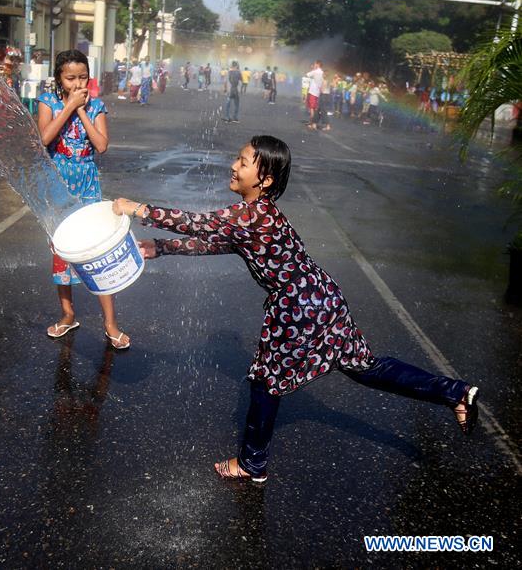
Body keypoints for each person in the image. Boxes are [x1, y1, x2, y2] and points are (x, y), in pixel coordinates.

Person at [112, 135, 480, 482]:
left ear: (265, 180)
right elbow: (221, 242)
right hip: (322, 298)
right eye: (237, 159)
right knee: (365, 366)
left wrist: (139, 209)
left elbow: (198, 224)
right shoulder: (257, 214)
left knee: (266, 380)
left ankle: (252, 463)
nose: (234, 166)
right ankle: (453, 392)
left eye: (243, 162)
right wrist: (162, 247)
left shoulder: (251, 215)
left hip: (298, 308)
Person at [37, 50, 130, 350]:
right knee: (61, 250)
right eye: (70, 78)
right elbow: (44, 139)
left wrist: (81, 112)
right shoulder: (47, 102)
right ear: (59, 79)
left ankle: (110, 323)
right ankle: (68, 315)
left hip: (87, 185)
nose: (78, 84)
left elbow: (101, 145)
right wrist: (68, 107)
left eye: (83, 77)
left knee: (96, 251)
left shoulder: (97, 106)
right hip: (58, 186)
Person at [305, 60, 323, 129]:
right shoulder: (322, 72)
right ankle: (311, 122)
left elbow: (307, 74)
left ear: (317, 64)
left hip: (312, 92)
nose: (314, 65)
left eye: (315, 64)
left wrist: (313, 69)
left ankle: (312, 123)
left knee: (311, 108)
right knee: (314, 108)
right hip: (317, 93)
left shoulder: (315, 71)